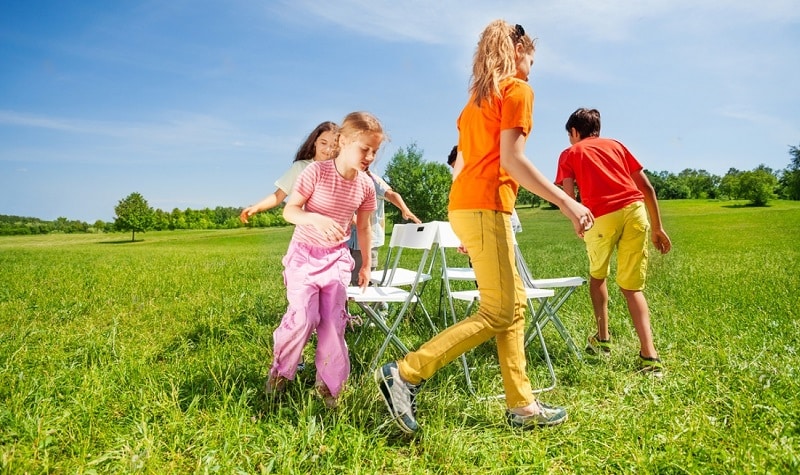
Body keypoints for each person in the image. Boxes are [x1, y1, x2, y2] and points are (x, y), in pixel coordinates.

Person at [374, 20, 594, 433]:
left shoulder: (473, 104)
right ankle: (405, 373)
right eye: (532, 57)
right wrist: (566, 200)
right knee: (497, 311)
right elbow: (512, 161)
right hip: (485, 208)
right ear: (518, 52)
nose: (533, 67)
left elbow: (462, 168)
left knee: (512, 307)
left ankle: (522, 406)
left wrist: (467, 227)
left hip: (470, 208)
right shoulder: (517, 91)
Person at [267, 111, 382, 408]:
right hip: (304, 256)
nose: (369, 156)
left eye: (375, 151)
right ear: (343, 142)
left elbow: (364, 227)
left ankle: (329, 389)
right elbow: (289, 210)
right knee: (304, 318)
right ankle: (280, 373)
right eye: (364, 149)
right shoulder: (316, 172)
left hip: (336, 260)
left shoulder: (365, 186)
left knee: (332, 323)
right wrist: (315, 219)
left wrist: (366, 264)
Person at [555, 107, 671, 377]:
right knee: (632, 288)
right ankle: (649, 356)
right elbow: (647, 188)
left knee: (598, 277)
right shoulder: (617, 146)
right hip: (635, 211)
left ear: (574, 132)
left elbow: (568, 197)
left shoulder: (570, 153)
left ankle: (603, 340)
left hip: (601, 218)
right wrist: (658, 228)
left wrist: (577, 222)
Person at [240, 121, 338, 224]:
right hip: (308, 232)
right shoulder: (301, 167)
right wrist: (256, 207)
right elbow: (278, 196)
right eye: (323, 143)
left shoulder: (340, 170)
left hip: (338, 232)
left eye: (333, 145)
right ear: (315, 142)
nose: (328, 149)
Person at [346, 169, 421, 287]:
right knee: (346, 278)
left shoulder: (373, 180)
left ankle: (378, 303)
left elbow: (391, 194)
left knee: (360, 281)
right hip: (349, 240)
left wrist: (404, 209)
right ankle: (377, 303)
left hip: (368, 241)